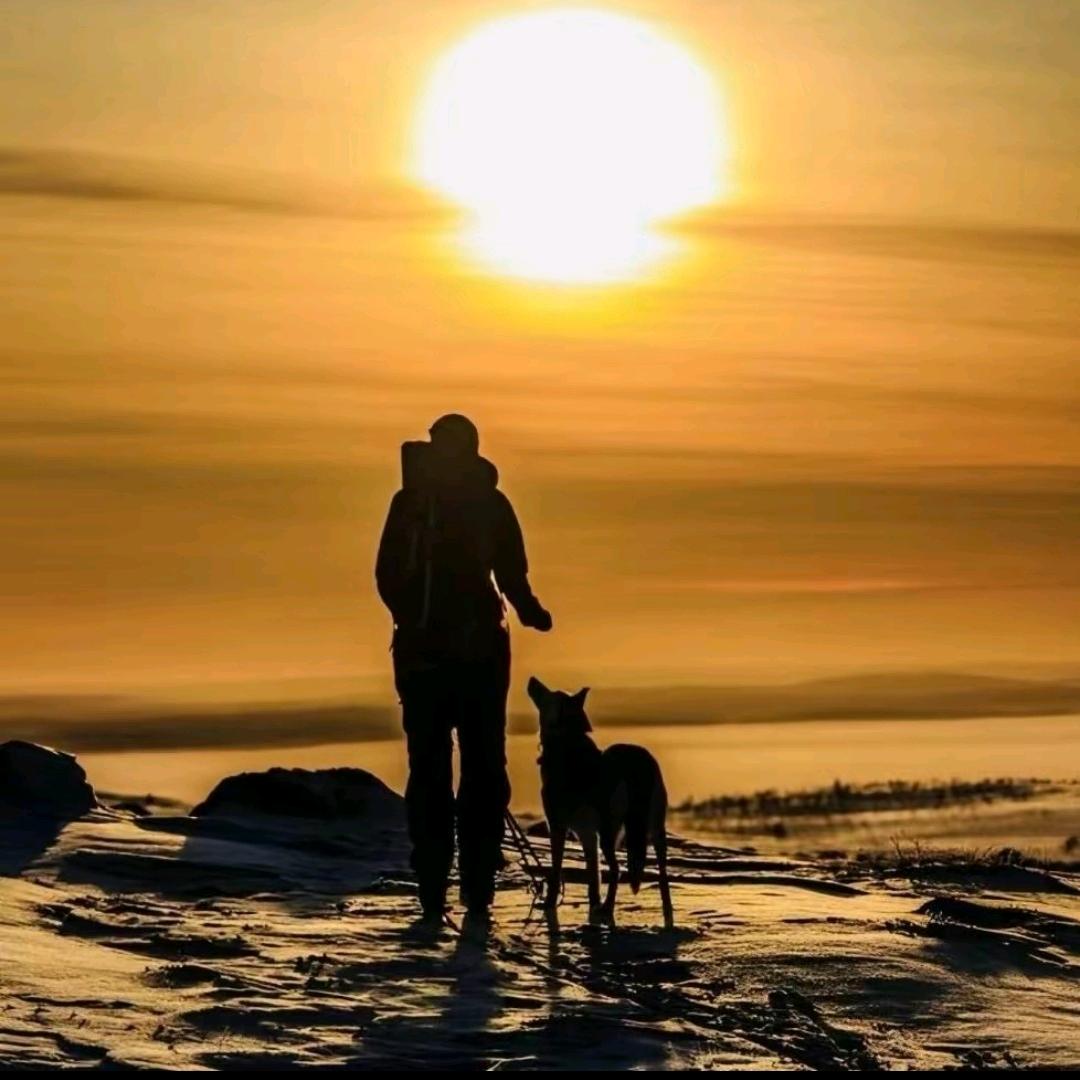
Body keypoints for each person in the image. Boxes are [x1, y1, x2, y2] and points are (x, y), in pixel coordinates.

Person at [375, 414, 552, 925]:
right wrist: (530, 612)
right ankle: (476, 888)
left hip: (422, 657)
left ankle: (434, 889)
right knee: (481, 768)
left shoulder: (409, 505)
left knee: (430, 769)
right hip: (479, 655)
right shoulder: (487, 504)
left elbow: (386, 577)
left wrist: (413, 625)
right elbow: (512, 575)